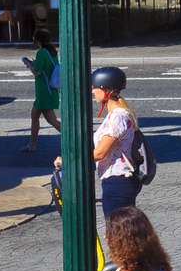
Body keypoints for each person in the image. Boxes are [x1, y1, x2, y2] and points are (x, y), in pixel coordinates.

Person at [56, 66, 142, 217]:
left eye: (95, 87)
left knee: (118, 234)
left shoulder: (118, 116)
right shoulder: (118, 114)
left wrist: (68, 161)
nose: (92, 91)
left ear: (105, 89)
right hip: (118, 181)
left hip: (118, 182)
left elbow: (100, 153)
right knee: (121, 233)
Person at [23, 29, 61, 154]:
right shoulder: (51, 52)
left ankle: (72, 138)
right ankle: (32, 145)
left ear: (38, 40)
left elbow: (37, 71)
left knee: (51, 120)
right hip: (48, 91)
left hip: (44, 91)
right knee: (35, 116)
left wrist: (28, 63)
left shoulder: (41, 53)